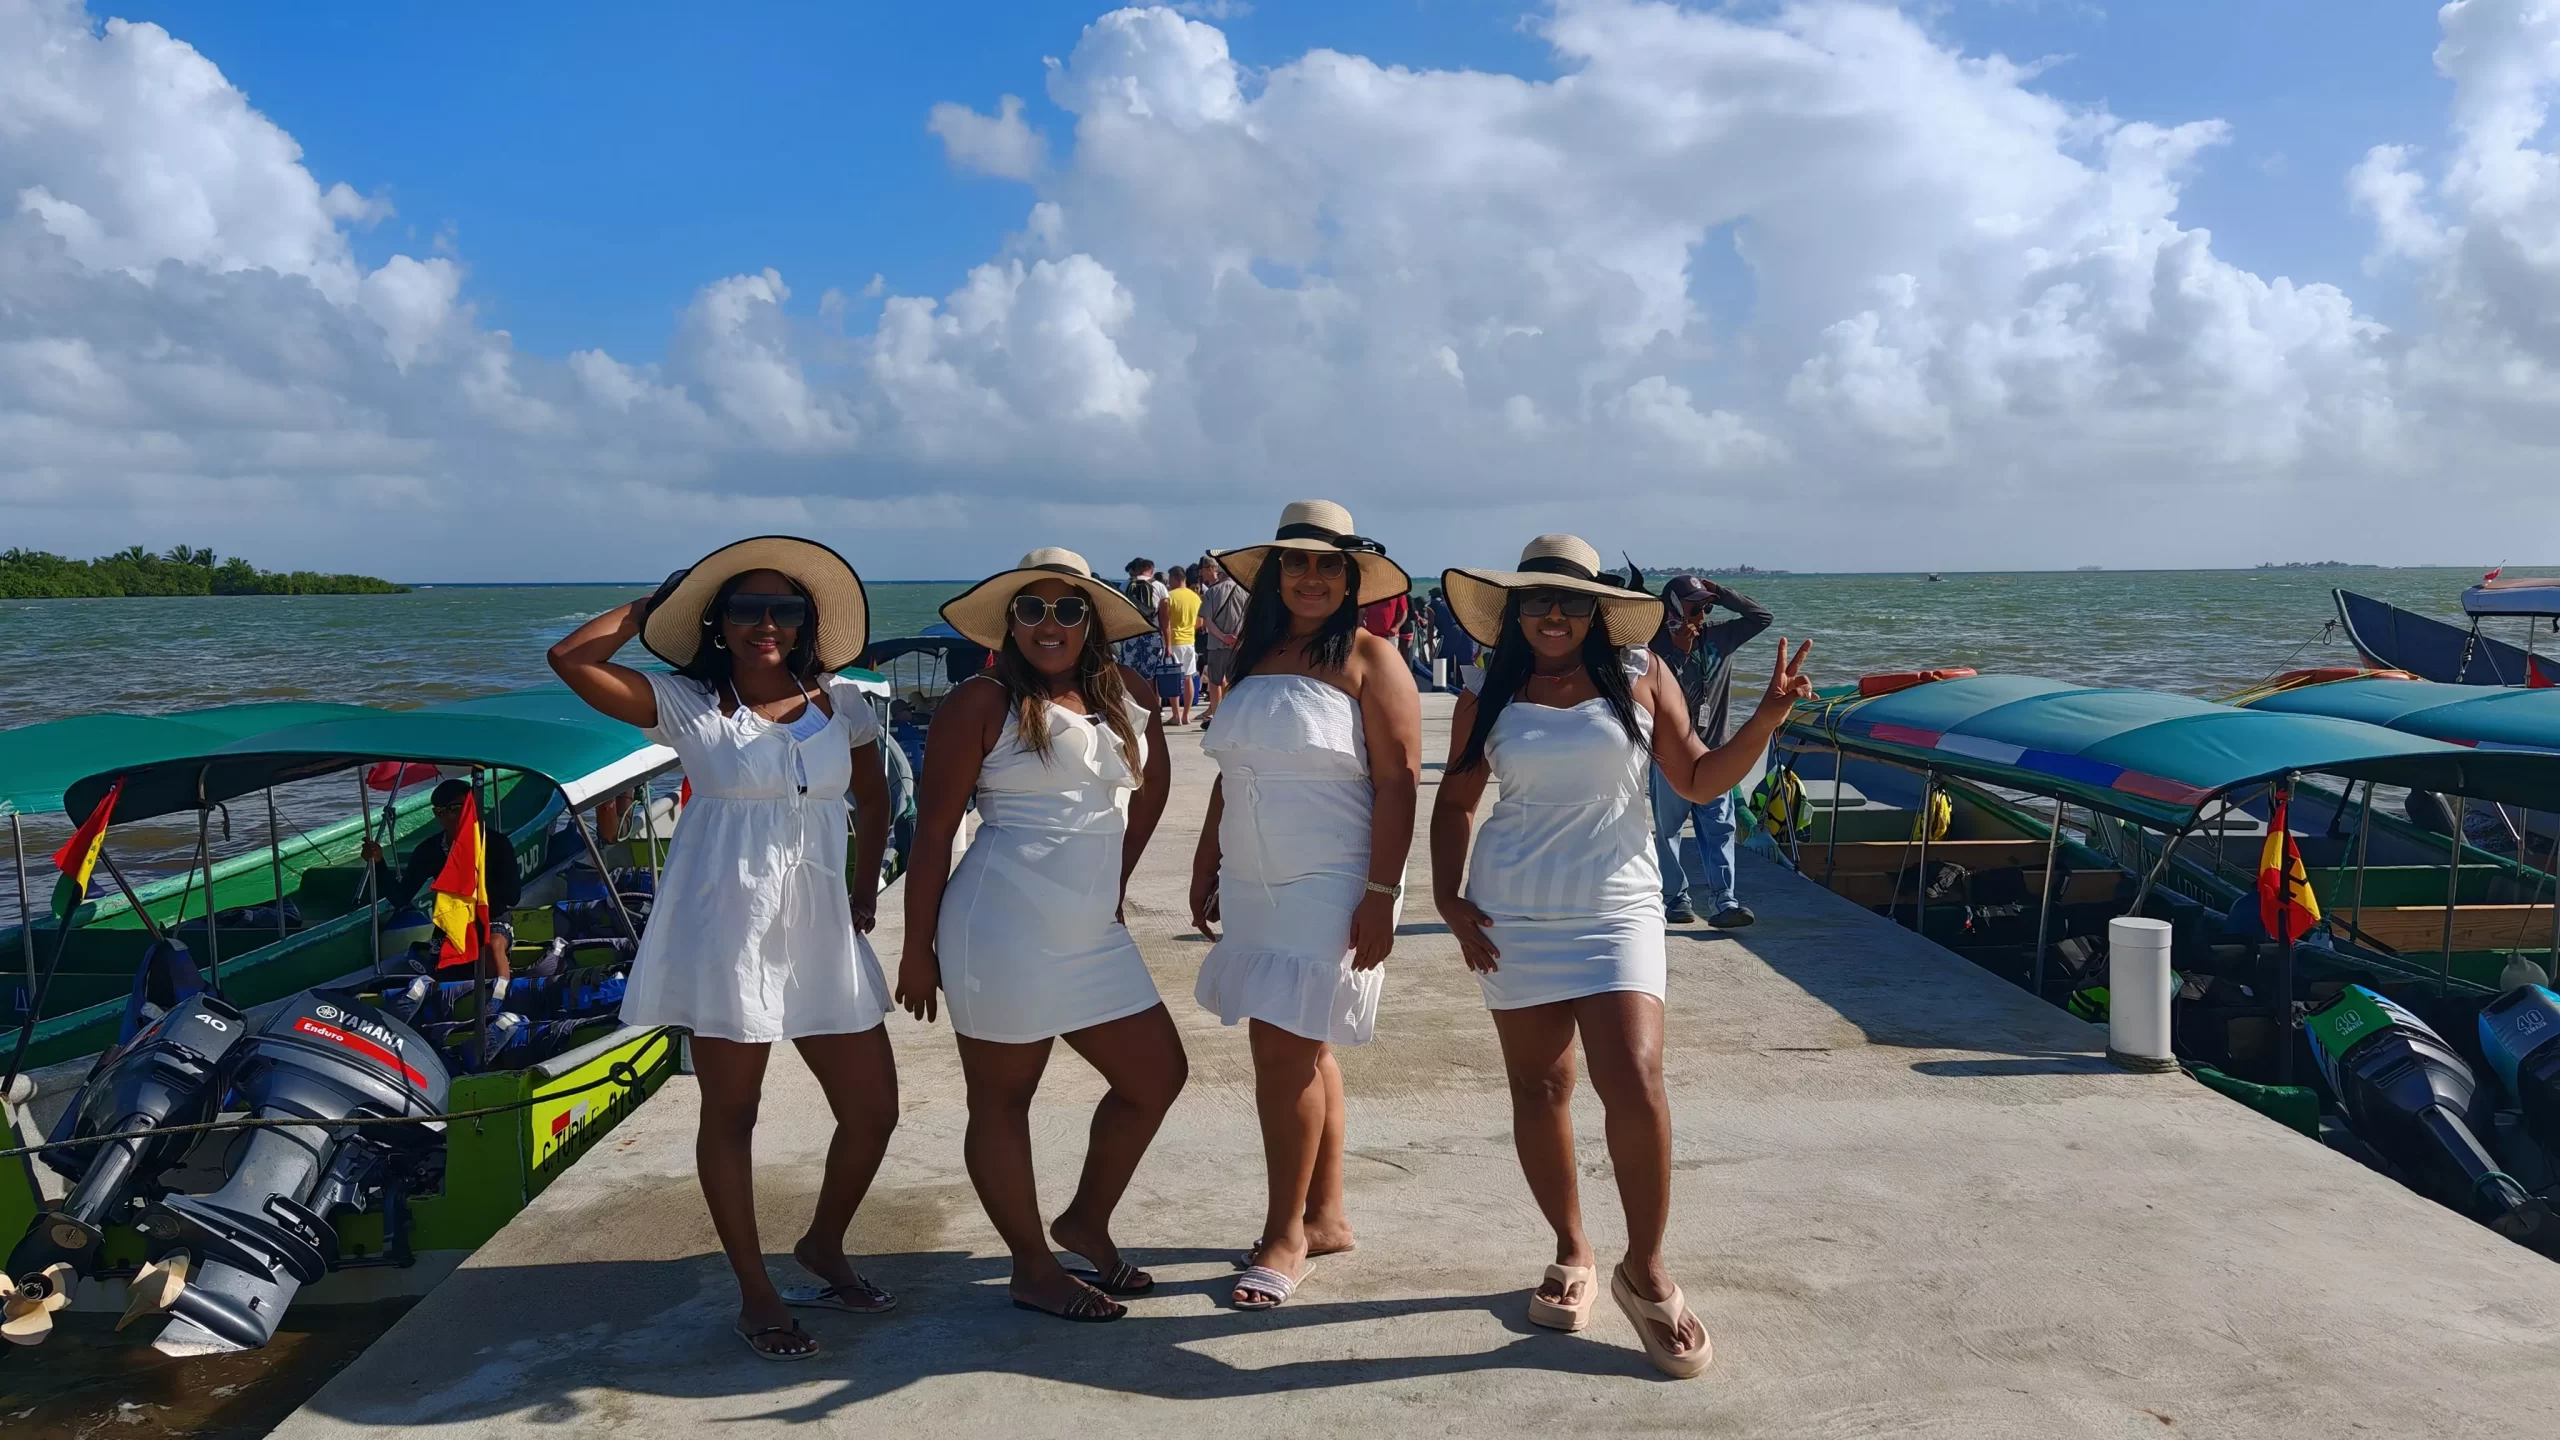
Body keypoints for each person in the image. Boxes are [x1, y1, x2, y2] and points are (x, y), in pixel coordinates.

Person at [1429, 534, 1813, 1380]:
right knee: (1540, 1086)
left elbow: (1703, 779)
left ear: (1598, 610)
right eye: (1537, 602)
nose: (1554, 615)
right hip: (1514, 912)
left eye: (1570, 601)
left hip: (1619, 904)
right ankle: (1572, 1250)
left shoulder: (1643, 677)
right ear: (1515, 613)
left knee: (1635, 1080)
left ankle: (1647, 1267)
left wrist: (1769, 715)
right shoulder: (1485, 698)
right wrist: (1447, 898)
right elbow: (1456, 803)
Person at [547, 537, 898, 1364]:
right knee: (732, 1113)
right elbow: (570, 658)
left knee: (873, 1108)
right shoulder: (687, 702)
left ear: (809, 622)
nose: (766, 624)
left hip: (819, 928)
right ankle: (756, 1292)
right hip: (727, 929)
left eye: (784, 609)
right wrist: (655, 604)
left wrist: (863, 885)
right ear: (719, 622)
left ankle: (822, 1244)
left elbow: (875, 795)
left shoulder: (843, 701)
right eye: (746, 608)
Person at [897, 549, 1184, 1324]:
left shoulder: (1129, 691)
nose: (1050, 625)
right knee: (1002, 1099)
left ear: (1093, 620)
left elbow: (1152, 788)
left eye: (1068, 609)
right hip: (1000, 928)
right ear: (1010, 623)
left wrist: (1116, 883)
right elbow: (932, 836)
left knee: (1156, 1076)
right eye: (1032, 610)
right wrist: (915, 949)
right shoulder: (979, 702)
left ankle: (1083, 1220)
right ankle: (1031, 1266)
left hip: (1091, 931)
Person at [1190, 500, 1421, 1311]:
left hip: (1331, 882)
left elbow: (1398, 785)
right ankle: (1324, 1216)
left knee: (1280, 1056)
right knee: (1308, 1048)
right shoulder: (1255, 659)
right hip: (1253, 878)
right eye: (1298, 563)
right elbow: (1235, 767)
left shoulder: (1372, 657)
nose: (1312, 577)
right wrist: (1207, 851)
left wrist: (1383, 896)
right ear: (1275, 575)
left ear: (1352, 578)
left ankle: (1282, 1234)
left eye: (1329, 564)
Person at [1647, 575, 1773, 927]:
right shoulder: (1654, 644)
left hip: (1714, 751)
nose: (1702, 613)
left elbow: (1762, 618)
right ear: (1672, 606)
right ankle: (1676, 899)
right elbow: (1656, 690)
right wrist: (1678, 653)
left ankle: (1725, 903)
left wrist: (1719, 591)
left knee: (1719, 829)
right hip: (1669, 754)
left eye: (1707, 606)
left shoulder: (1720, 635)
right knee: (1669, 829)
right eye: (1694, 606)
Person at [363, 776, 524, 982]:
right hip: (452, 923)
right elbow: (401, 897)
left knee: (491, 946)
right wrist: (378, 862)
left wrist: (470, 879)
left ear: (470, 806)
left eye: (454, 809)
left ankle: (502, 997)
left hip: (491, 918)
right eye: (440, 812)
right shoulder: (429, 850)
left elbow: (512, 896)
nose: (448, 817)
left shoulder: (496, 844)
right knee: (448, 969)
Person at [1195, 556, 1248, 722]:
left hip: (1216, 644)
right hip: (1238, 645)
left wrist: (1223, 637)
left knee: (1215, 682)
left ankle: (1217, 717)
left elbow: (1207, 621)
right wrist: (1237, 637)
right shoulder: (1245, 592)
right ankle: (1236, 715)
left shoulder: (1212, 591)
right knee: (1236, 682)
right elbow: (1250, 619)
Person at [1120, 558, 1169, 717]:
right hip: (1152, 635)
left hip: (1131, 635)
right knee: (1150, 676)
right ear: (1151, 569)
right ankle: (1152, 709)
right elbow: (1165, 618)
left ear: (1138, 569)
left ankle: (1131, 710)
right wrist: (1168, 644)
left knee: (1130, 675)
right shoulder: (1159, 586)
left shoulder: (1125, 585)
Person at [1160, 564, 1202, 727]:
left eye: (1170, 579)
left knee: (1173, 679)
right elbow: (1200, 622)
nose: (1169, 583)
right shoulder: (1195, 598)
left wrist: (1168, 645)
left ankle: (1176, 715)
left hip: (1174, 641)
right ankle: (1186, 715)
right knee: (1189, 677)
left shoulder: (1169, 597)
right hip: (1189, 641)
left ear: (1175, 579)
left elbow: (1165, 625)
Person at [1427, 586, 1476, 694]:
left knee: (1440, 658)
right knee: (1468, 661)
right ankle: (1477, 684)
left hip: (1452, 632)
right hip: (1463, 629)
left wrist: (1430, 648)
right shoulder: (1450, 602)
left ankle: (1439, 686)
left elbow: (1430, 626)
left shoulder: (1432, 605)